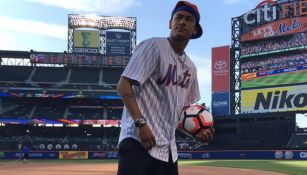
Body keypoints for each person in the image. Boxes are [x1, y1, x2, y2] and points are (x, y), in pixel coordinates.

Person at [116, 1, 214, 175]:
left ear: (195, 30)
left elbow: (181, 114)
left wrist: (196, 133)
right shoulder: (153, 46)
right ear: (170, 23)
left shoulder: (191, 68)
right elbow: (123, 86)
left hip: (168, 150)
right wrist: (141, 124)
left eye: (189, 19)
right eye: (178, 17)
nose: (182, 22)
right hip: (138, 142)